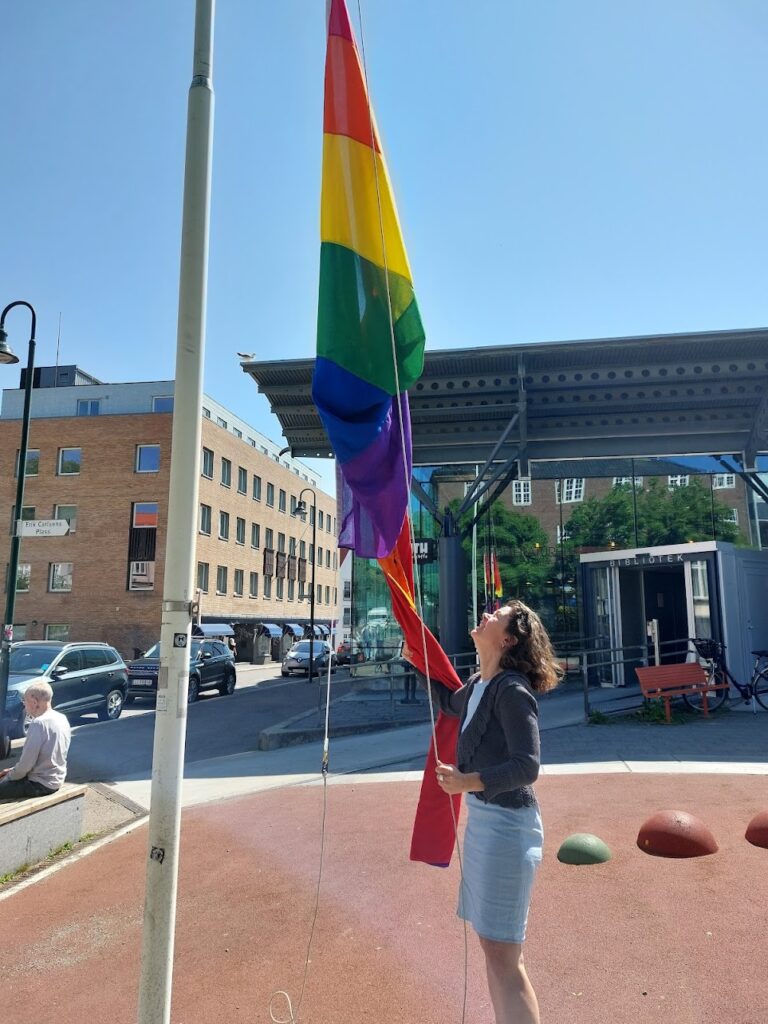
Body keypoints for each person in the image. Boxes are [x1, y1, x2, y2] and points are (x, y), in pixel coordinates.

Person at [424, 600, 561, 1024]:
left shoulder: (512, 690)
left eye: (496, 615)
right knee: (492, 946)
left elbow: (528, 766)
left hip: (508, 830)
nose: (486, 614)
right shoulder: (480, 684)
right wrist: (419, 652)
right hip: (485, 827)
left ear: (507, 639)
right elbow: (448, 703)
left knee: (504, 954)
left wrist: (469, 781)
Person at [0, 681, 72, 801]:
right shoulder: (61, 717)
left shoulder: (38, 724)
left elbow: (26, 765)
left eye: (25, 702)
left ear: (34, 702)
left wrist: (8, 778)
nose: (25, 705)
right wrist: (12, 770)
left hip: (40, 784)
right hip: (56, 779)